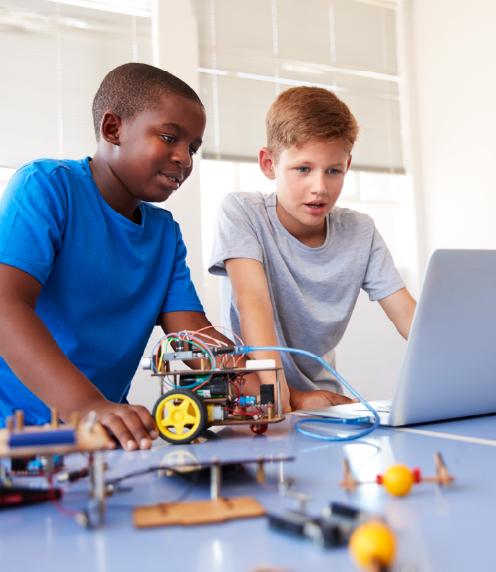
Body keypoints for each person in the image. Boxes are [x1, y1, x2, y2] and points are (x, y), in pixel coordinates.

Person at [0, 62, 233, 450]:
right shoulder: (47, 187)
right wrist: (88, 405)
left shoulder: (164, 232)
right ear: (113, 129)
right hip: (15, 437)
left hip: (100, 439)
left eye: (192, 148)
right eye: (169, 137)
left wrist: (267, 388)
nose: (185, 159)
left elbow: (191, 332)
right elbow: (5, 306)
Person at [209, 86, 416, 411]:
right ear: (268, 163)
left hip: (325, 405)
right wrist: (280, 396)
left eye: (333, 170)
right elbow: (253, 302)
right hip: (258, 401)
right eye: (303, 169)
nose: (319, 187)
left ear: (347, 165)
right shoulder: (241, 212)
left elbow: (407, 314)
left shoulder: (361, 231)